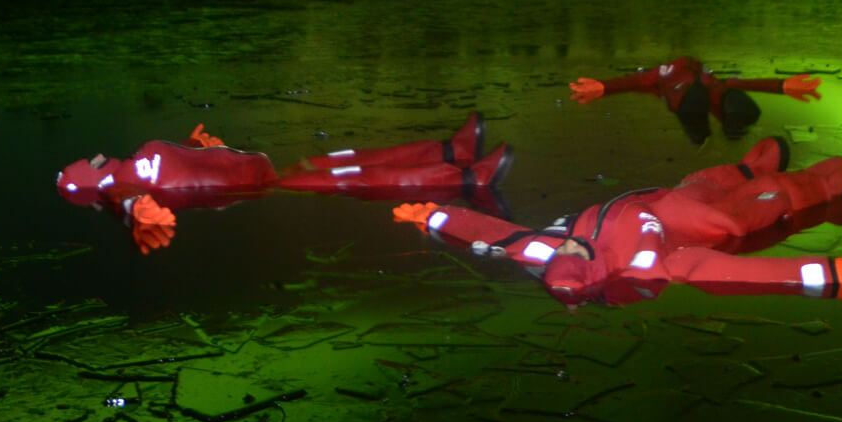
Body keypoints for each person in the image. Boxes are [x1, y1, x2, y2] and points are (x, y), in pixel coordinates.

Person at [392, 136, 842, 307]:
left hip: (682, 193)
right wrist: (832, 272)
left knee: (701, 179)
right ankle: (808, 183)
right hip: (724, 218)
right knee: (773, 196)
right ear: (595, 271)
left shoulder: (544, 248)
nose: (568, 248)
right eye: (575, 256)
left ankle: (748, 165)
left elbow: (490, 233)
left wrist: (435, 213)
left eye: (562, 255)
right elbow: (730, 274)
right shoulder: (656, 267)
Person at [58, 114, 512, 253]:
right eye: (92, 163)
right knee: (351, 176)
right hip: (258, 184)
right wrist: (136, 216)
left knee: (349, 159)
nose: (100, 158)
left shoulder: (134, 164)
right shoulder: (122, 187)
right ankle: (467, 177)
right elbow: (128, 200)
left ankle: (452, 151)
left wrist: (195, 147)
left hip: (255, 169)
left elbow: (163, 170)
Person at [569, 57, 823, 143]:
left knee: (724, 103)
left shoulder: (705, 83)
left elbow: (737, 85)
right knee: (702, 115)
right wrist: (604, 87)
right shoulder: (665, 78)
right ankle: (708, 134)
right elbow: (638, 82)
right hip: (691, 98)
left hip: (701, 95)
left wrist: (782, 85)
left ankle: (719, 131)